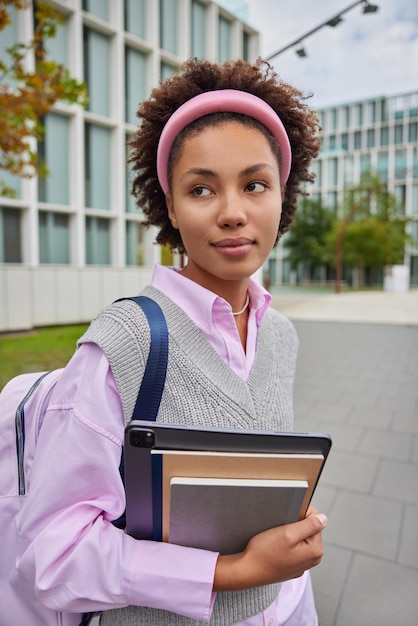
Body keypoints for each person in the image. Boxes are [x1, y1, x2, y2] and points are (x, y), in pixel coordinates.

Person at [16, 57, 326, 626]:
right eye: (202, 189)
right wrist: (232, 572)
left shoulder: (280, 336)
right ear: (172, 209)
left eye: (255, 184)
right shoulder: (123, 345)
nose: (233, 213)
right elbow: (55, 558)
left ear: (283, 196)